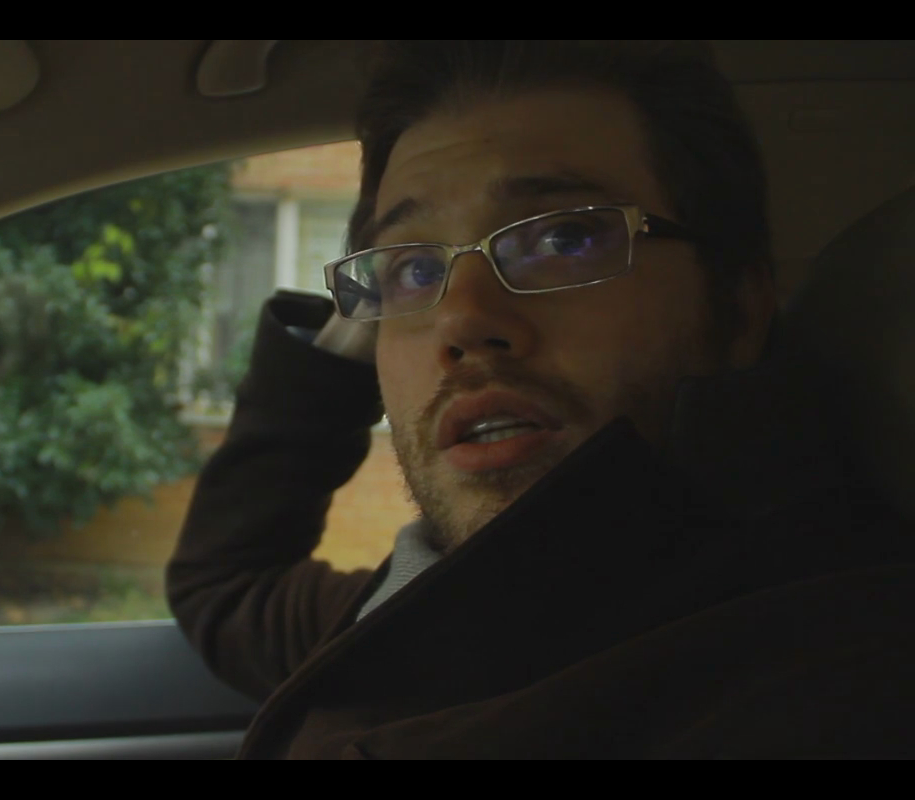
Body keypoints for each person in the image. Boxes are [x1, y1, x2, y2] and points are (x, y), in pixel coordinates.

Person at [166, 41, 915, 759]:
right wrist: (363, 317)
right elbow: (226, 588)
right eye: (415, 272)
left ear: (740, 310)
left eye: (564, 240)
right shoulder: (414, 606)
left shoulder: (827, 683)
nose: (462, 321)